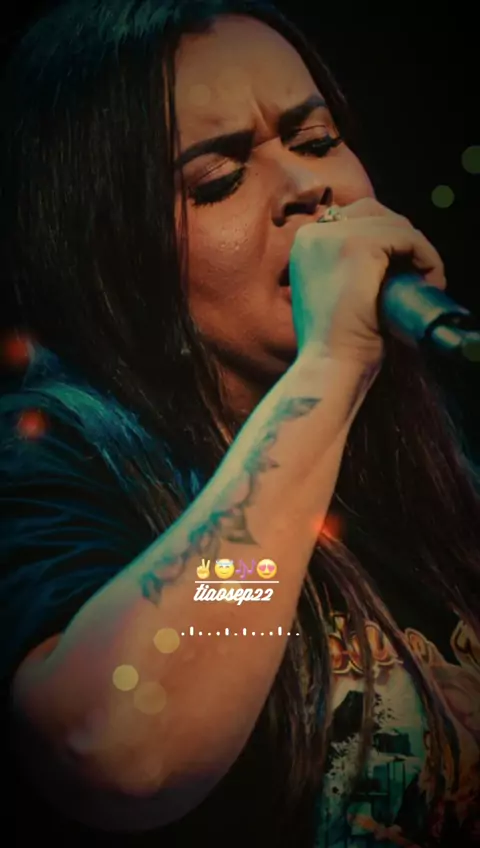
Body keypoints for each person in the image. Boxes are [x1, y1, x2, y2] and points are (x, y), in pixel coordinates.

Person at [1, 1, 479, 845]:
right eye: (219, 180)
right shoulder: (41, 450)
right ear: (113, 254)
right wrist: (329, 368)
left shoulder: (429, 445)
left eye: (318, 140)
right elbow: (122, 746)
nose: (307, 187)